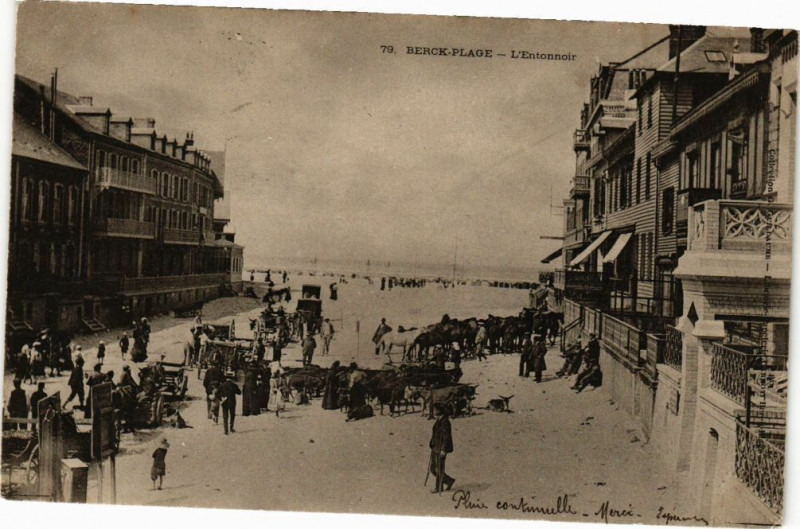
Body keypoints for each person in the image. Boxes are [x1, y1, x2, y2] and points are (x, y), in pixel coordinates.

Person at [429, 404, 455, 493]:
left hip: (441, 448)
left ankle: (438, 487)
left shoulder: (445, 422)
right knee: (432, 468)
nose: (434, 411)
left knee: (439, 469)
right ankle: (449, 481)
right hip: (435, 447)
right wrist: (431, 443)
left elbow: (446, 436)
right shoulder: (439, 420)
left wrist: (444, 450)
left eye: (435, 409)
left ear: (441, 410)